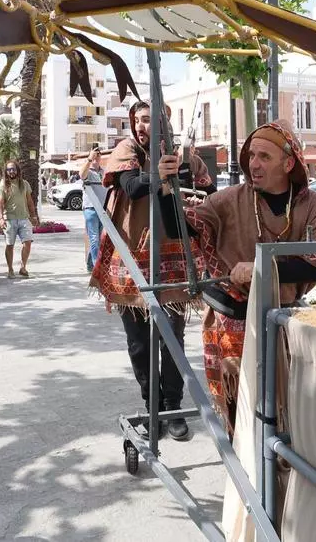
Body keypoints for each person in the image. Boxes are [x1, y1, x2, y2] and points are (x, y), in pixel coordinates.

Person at [155, 119, 316, 437]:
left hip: (282, 317)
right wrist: (165, 186)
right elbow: (177, 227)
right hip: (230, 316)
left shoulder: (311, 204)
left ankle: (277, 476)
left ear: (288, 163)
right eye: (251, 156)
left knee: (283, 411)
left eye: (264, 156)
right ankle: (245, 478)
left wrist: (262, 267)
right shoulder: (230, 199)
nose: (254, 164)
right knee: (240, 411)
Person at [89, 102, 212, 441]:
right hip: (130, 263)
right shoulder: (127, 148)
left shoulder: (183, 153)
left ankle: (173, 406)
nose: (143, 125)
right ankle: (152, 405)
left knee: (172, 340)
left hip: (173, 264)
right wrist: (160, 174)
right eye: (138, 120)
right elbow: (131, 186)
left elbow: (208, 191)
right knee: (139, 344)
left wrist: (185, 183)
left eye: (150, 119)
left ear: (164, 122)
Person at [0, 160, 39, 278]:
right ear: (6, 171)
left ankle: (23, 267)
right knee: (10, 245)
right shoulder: (3, 185)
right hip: (9, 219)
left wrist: (33, 215)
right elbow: (0, 204)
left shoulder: (24, 184)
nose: (11, 171)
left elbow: (30, 202)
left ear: (17, 170)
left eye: (13, 169)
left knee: (28, 243)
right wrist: (1, 218)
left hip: (24, 218)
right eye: (9, 169)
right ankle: (10, 269)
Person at [80, 147, 106, 272]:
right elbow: (82, 175)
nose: (96, 157)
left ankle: (90, 264)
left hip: (103, 209)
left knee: (99, 239)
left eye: (98, 155)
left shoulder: (103, 172)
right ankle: (97, 268)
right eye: (95, 155)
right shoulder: (88, 170)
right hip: (91, 208)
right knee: (94, 238)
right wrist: (90, 158)